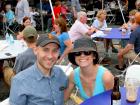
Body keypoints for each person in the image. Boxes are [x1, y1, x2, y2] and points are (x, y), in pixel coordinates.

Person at [9, 34, 68, 105]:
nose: (50, 56)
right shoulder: (20, 81)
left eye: (55, 51)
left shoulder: (60, 73)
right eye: (45, 50)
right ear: (35, 50)